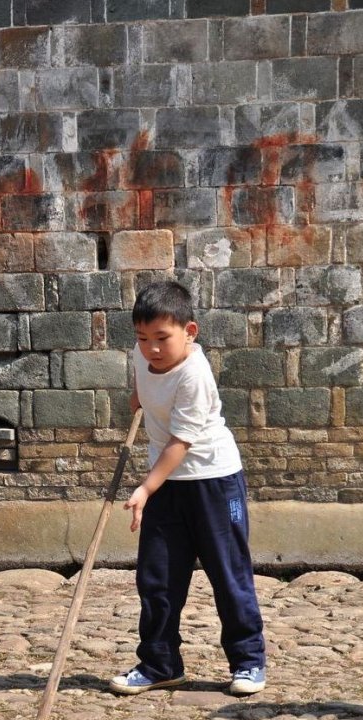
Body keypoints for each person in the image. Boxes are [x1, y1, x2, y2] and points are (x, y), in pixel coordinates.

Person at [109, 280, 266, 698]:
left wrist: (144, 490)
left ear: (189, 332)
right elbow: (143, 390)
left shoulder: (195, 375)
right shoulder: (143, 358)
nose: (152, 349)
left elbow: (180, 444)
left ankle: (248, 661)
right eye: (143, 338)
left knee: (228, 575)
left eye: (163, 338)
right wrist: (137, 399)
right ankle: (160, 664)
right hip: (166, 483)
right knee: (157, 579)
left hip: (213, 481)